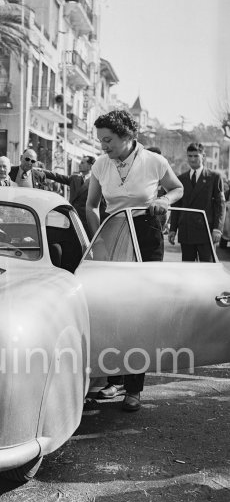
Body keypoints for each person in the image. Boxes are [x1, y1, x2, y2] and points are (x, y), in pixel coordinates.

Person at [86, 110, 183, 412]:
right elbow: (91, 206)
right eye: (100, 140)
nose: (104, 146)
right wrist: (98, 239)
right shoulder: (101, 164)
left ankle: (134, 388)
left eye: (109, 140)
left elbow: (177, 188)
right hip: (114, 232)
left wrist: (164, 200)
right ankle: (113, 378)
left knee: (139, 311)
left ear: (127, 136)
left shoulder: (154, 161)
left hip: (147, 233)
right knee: (113, 309)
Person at [168, 143, 225, 261]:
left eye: (196, 156)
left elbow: (220, 204)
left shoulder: (214, 177)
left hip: (206, 231)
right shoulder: (181, 179)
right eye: (189, 156)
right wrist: (173, 229)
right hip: (186, 231)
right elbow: (177, 206)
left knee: (207, 269)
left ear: (203, 156)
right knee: (188, 269)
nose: (192, 159)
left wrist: (217, 228)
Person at [42, 156, 97, 237]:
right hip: (72, 218)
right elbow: (57, 176)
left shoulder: (96, 182)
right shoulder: (74, 178)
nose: (79, 165)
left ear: (90, 166)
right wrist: (42, 171)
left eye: (82, 163)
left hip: (87, 222)